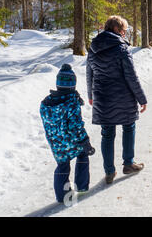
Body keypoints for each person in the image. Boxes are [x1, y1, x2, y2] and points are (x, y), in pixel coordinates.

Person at [86, 15, 147, 184]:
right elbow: (131, 76)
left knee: (107, 134)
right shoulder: (121, 48)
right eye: (124, 30)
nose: (125, 34)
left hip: (102, 97)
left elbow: (89, 74)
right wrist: (141, 98)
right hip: (123, 96)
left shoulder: (93, 47)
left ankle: (109, 172)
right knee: (128, 126)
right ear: (116, 29)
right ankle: (128, 164)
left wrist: (91, 96)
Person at [40, 64, 95, 203]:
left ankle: (61, 196)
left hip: (56, 142)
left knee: (62, 165)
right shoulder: (71, 103)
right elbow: (76, 127)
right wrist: (85, 142)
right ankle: (81, 186)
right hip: (71, 140)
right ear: (73, 85)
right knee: (83, 154)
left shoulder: (46, 103)